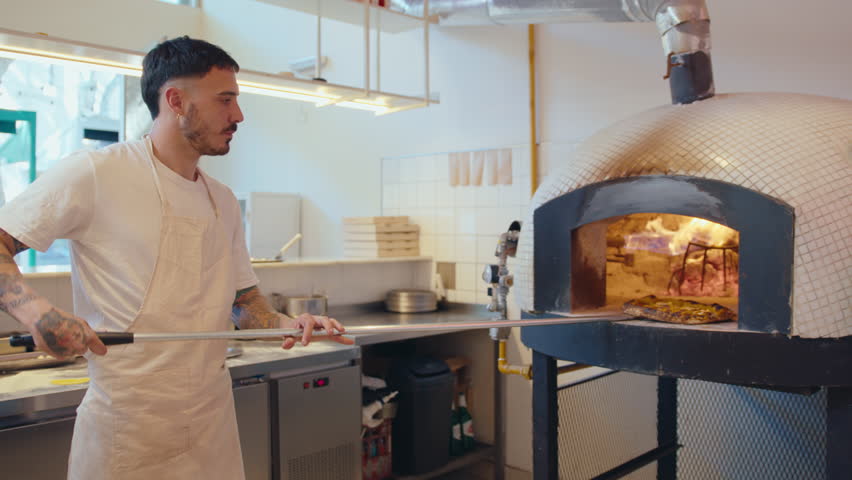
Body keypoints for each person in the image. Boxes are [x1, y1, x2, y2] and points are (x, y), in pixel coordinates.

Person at [0, 36, 352, 479]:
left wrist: (288, 323)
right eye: (226, 100)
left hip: (211, 431)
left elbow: (245, 306)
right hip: (127, 435)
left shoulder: (222, 200)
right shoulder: (96, 173)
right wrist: (38, 315)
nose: (238, 116)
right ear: (175, 100)